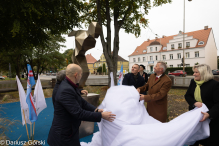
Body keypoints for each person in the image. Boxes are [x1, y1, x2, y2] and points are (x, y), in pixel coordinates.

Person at [47, 64, 116, 146]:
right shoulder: (66, 89)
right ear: (76, 75)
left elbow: (82, 102)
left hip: (70, 131)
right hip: (63, 135)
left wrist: (95, 109)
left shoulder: (70, 85)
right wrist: (101, 115)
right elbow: (78, 113)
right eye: (81, 74)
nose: (81, 77)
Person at [185, 64, 219, 146]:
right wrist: (194, 103)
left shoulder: (214, 85)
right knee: (193, 138)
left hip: (210, 119)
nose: (193, 74)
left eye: (196, 72)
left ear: (204, 73)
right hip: (195, 117)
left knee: (210, 141)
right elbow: (187, 95)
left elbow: (218, 103)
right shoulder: (193, 82)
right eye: (194, 72)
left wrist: (209, 114)